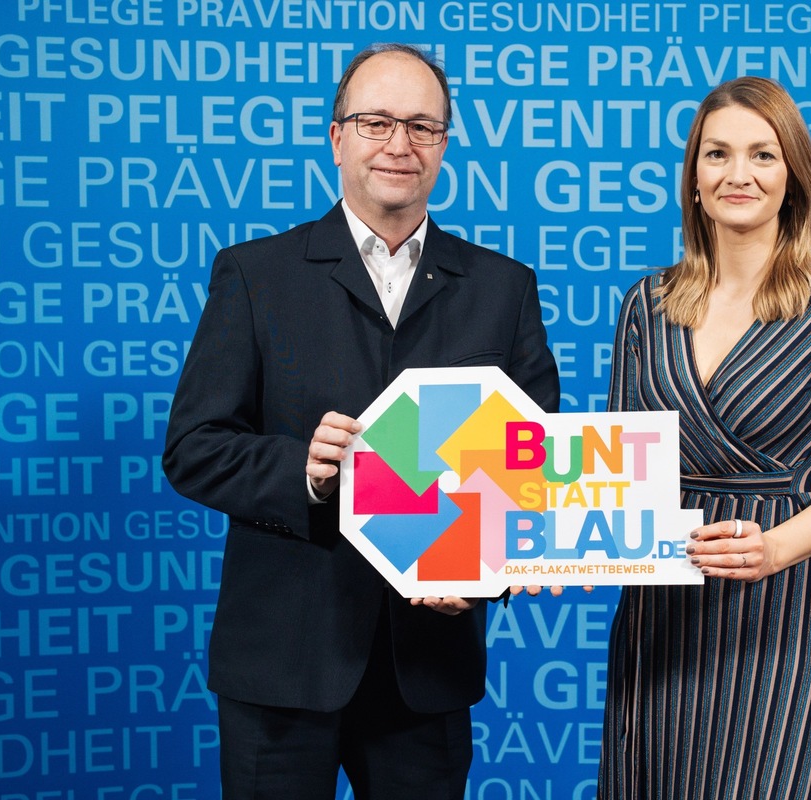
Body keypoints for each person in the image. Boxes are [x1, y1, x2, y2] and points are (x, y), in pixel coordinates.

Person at [163, 43, 559, 800]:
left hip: (427, 666)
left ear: (444, 143)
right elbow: (193, 448)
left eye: (422, 126)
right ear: (337, 138)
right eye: (377, 122)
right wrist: (303, 472)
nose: (399, 144)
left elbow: (531, 468)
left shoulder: (503, 288)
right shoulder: (255, 275)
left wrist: (486, 574)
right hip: (282, 663)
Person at [598, 76, 811, 799]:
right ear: (693, 179)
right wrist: (544, 547)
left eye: (763, 154)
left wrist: (775, 549)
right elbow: (612, 472)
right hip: (664, 614)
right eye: (718, 154)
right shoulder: (646, 305)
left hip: (784, 609)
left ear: (793, 177)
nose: (739, 174)